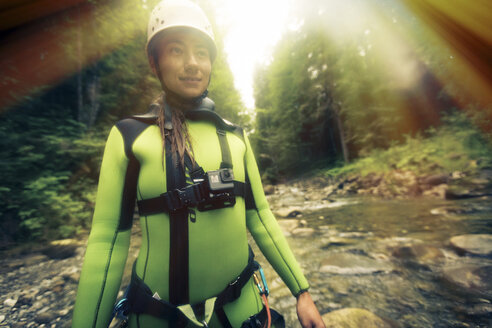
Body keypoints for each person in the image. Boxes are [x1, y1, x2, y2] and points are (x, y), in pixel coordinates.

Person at [72, 0, 325, 327]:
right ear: (155, 61)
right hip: (157, 314)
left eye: (201, 53)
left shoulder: (236, 137)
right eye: (176, 50)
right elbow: (107, 241)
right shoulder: (130, 137)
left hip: (241, 308)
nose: (192, 63)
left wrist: (302, 292)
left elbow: (260, 216)